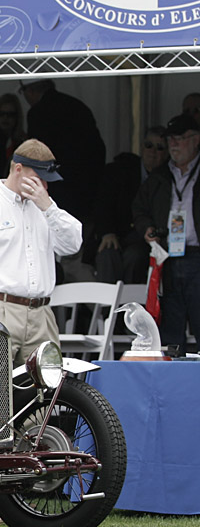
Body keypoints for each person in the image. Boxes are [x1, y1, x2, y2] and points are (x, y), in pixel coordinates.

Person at [0, 140, 82, 365]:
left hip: (41, 312)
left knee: (46, 387)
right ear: (18, 169)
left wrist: (49, 207)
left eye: (47, 180)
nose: (43, 185)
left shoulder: (45, 208)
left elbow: (73, 244)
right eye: (39, 178)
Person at [20, 79, 106, 281]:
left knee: (55, 258)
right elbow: (98, 150)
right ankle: (96, 308)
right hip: (86, 191)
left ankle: (80, 305)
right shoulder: (78, 107)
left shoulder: (38, 112)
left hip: (54, 193)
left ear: (31, 91)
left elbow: (36, 157)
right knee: (76, 255)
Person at [132, 114, 200, 352]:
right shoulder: (159, 176)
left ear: (196, 139)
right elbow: (139, 209)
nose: (173, 144)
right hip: (168, 257)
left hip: (197, 256)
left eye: (180, 138)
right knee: (170, 329)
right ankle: (175, 382)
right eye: (171, 139)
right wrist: (147, 229)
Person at [93, 126, 168, 285]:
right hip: (117, 233)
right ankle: (108, 308)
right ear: (141, 147)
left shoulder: (169, 178)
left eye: (160, 148)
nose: (152, 151)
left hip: (145, 239)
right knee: (106, 254)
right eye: (149, 145)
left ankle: (127, 307)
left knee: (135, 256)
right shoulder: (120, 170)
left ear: (168, 153)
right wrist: (107, 232)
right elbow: (103, 204)